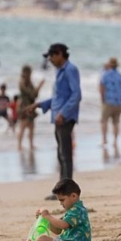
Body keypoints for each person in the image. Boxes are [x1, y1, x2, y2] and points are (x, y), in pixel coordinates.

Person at [0, 178, 91, 241]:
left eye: (62, 200)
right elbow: (58, 230)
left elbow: (63, 225)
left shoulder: (77, 211)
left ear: (73, 196)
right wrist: (45, 220)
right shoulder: (74, 210)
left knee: (43, 239)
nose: (61, 203)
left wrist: (47, 215)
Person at [37, 43, 82, 180]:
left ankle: (67, 186)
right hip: (58, 117)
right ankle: (63, 185)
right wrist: (40, 104)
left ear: (60, 54)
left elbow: (76, 95)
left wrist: (63, 113)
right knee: (61, 154)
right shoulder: (60, 71)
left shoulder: (70, 69)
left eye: (51, 56)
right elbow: (60, 97)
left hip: (65, 118)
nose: (50, 60)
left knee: (65, 154)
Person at [99, 57, 121, 148]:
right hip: (119, 102)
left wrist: (102, 100)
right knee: (116, 123)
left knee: (104, 121)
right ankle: (115, 141)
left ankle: (104, 140)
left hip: (108, 101)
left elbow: (101, 89)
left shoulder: (105, 75)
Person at [16, 66, 44, 151]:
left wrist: (38, 88)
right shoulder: (22, 82)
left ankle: (31, 145)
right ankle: (19, 145)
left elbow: (34, 95)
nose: (30, 74)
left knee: (31, 126)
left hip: (30, 106)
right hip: (24, 107)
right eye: (29, 73)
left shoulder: (29, 82)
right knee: (23, 126)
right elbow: (32, 94)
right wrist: (39, 86)